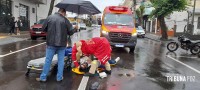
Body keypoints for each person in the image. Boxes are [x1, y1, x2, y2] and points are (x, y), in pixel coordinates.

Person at [36, 8, 77, 82]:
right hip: (62, 44)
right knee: (61, 61)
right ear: (63, 13)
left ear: (58, 11)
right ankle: (59, 77)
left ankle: (43, 77)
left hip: (51, 43)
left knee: (48, 60)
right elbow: (70, 32)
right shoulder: (65, 20)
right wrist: (75, 28)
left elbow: (43, 29)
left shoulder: (49, 17)